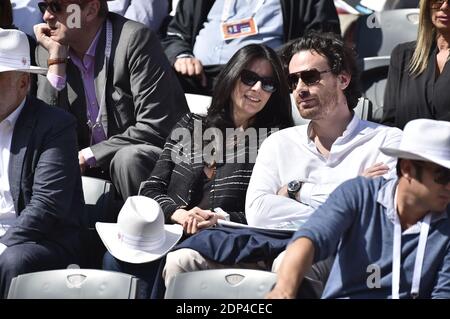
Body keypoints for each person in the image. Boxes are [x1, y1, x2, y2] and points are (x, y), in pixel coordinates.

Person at [161, 32, 403, 295]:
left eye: (310, 77)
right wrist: (350, 193)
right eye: (292, 80)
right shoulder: (279, 142)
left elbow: (378, 215)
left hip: (341, 253)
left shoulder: (387, 141)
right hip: (264, 245)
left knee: (290, 262)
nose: (300, 88)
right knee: (181, 261)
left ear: (343, 79)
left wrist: (296, 191)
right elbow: (260, 212)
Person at [103, 43, 293, 290]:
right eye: (249, 78)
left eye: (268, 84)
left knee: (172, 265)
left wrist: (218, 219)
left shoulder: (274, 140)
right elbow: (151, 188)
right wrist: (178, 214)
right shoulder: (192, 125)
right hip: (169, 234)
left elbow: (271, 214)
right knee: (114, 260)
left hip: (220, 243)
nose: (257, 88)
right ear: (232, 75)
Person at [267, 119, 450, 299]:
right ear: (408, 169)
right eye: (443, 176)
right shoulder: (359, 194)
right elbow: (310, 239)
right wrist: (284, 290)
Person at [34, 0, 189, 200]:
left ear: (91, 10)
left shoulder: (134, 40)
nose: (47, 16)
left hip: (155, 162)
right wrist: (56, 62)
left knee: (128, 159)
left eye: (56, 7)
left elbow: (155, 127)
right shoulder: (48, 47)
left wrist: (88, 155)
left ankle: (151, 229)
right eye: (43, 7)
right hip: (88, 165)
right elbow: (44, 130)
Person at [0, 28, 87, 298]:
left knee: (13, 260)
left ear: (24, 83)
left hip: (41, 239)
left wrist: (3, 244)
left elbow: (47, 206)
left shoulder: (55, 126)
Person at [163, 0, 340, 95]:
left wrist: (277, 63)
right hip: (199, 78)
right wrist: (181, 55)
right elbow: (175, 34)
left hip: (261, 82)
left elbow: (323, 41)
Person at [382, 0, 450, 129]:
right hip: (404, 147)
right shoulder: (402, 55)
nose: (444, 6)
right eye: (438, 0)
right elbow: (389, 123)